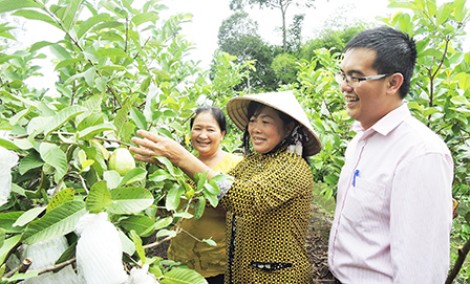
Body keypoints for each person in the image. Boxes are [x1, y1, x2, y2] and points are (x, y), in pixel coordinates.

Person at [130, 91, 322, 284]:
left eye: (266, 122)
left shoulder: (293, 167)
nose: (256, 128)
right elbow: (214, 188)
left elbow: (245, 198)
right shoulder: (253, 163)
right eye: (253, 121)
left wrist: (181, 158)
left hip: (278, 277)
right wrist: (168, 163)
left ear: (288, 127)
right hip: (242, 274)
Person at [327, 27, 454, 283]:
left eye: (356, 77)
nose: (344, 86)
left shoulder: (420, 154)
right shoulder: (360, 140)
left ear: (393, 83)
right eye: (343, 75)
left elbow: (421, 270)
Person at [166, 106, 242, 284]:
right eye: (197, 129)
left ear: (222, 134)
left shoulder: (237, 165)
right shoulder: (178, 163)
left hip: (216, 264)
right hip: (180, 258)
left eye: (210, 130)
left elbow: (241, 207)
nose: (202, 135)